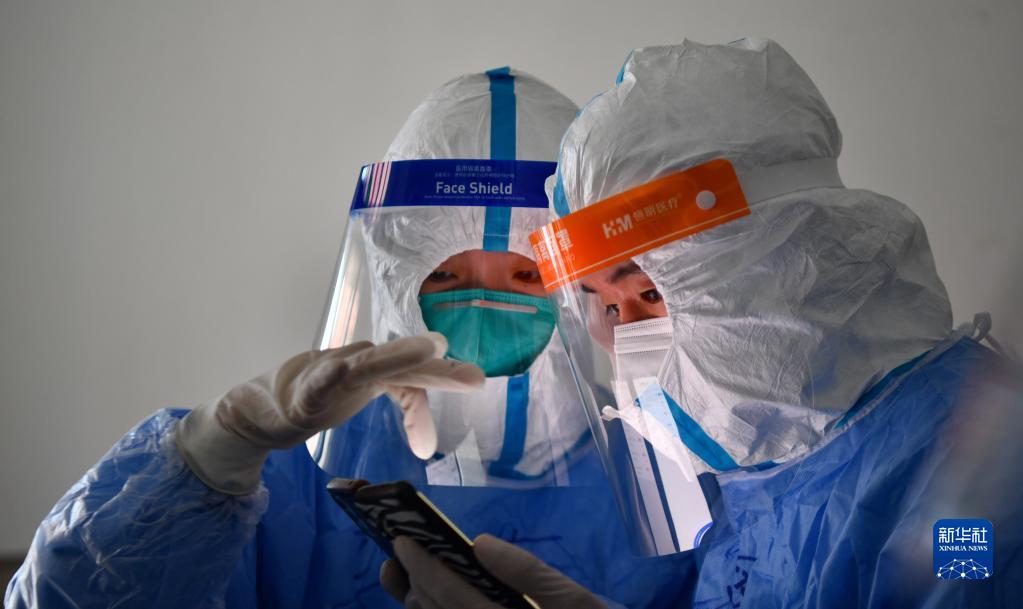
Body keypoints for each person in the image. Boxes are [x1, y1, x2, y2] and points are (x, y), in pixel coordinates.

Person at [5, 68, 693, 609]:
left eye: (527, 273)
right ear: (393, 277)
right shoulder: (284, 480)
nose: (485, 310)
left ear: (583, 286)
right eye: (445, 273)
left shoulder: (679, 479)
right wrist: (205, 458)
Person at [385, 39, 1023, 608]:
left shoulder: (979, 466)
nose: (628, 344)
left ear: (782, 261)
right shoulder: (761, 470)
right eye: (605, 305)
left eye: (649, 293)